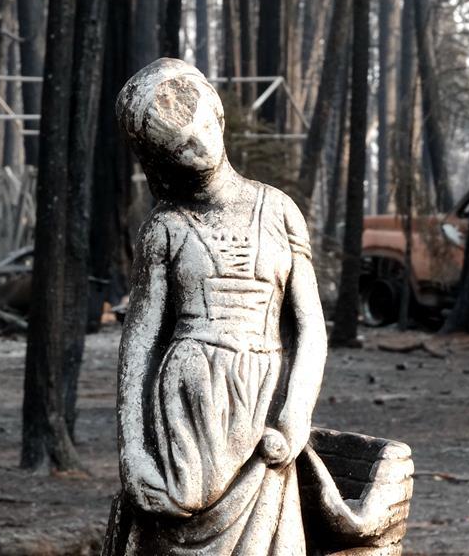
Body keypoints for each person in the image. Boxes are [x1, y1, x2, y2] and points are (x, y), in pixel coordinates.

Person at [110, 58, 328, 555]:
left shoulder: (278, 210)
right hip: (190, 402)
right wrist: (134, 452)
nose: (198, 147)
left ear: (219, 116)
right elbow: (139, 343)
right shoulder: (165, 228)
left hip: (264, 399)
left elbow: (310, 327)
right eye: (178, 145)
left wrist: (295, 416)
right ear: (159, 158)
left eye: (202, 128)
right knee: (173, 523)